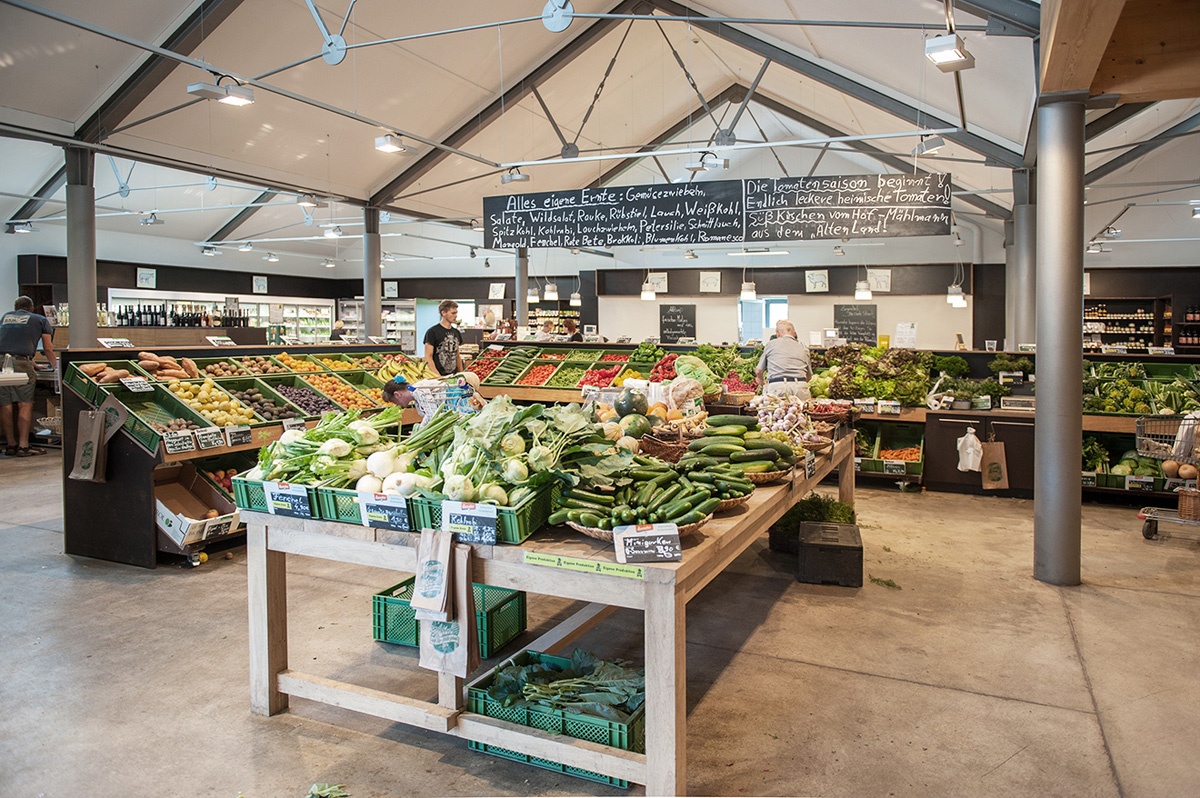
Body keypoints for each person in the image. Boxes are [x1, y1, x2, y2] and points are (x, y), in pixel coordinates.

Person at [1, 296, 55, 457]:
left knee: (5, 404)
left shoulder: (5, 317)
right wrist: (55, 366)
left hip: (1, 362)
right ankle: (23, 446)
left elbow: (11, 344)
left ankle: (11, 444)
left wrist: (34, 363)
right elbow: (48, 348)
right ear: (31, 308)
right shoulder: (40, 320)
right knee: (24, 404)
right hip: (21, 364)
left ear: (15, 308)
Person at [755, 319, 812, 399]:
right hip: (801, 387)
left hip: (778, 387)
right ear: (794, 334)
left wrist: (760, 380)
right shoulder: (804, 348)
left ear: (777, 333)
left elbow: (758, 371)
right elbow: (809, 376)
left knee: (776, 407)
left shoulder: (771, 344)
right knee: (803, 407)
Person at [423, 299, 463, 376]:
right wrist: (437, 376)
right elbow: (428, 357)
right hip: (438, 376)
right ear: (443, 313)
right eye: (453, 313)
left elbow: (457, 355)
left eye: (456, 313)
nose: (456, 315)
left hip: (453, 376)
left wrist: (461, 373)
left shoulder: (456, 332)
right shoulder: (432, 332)